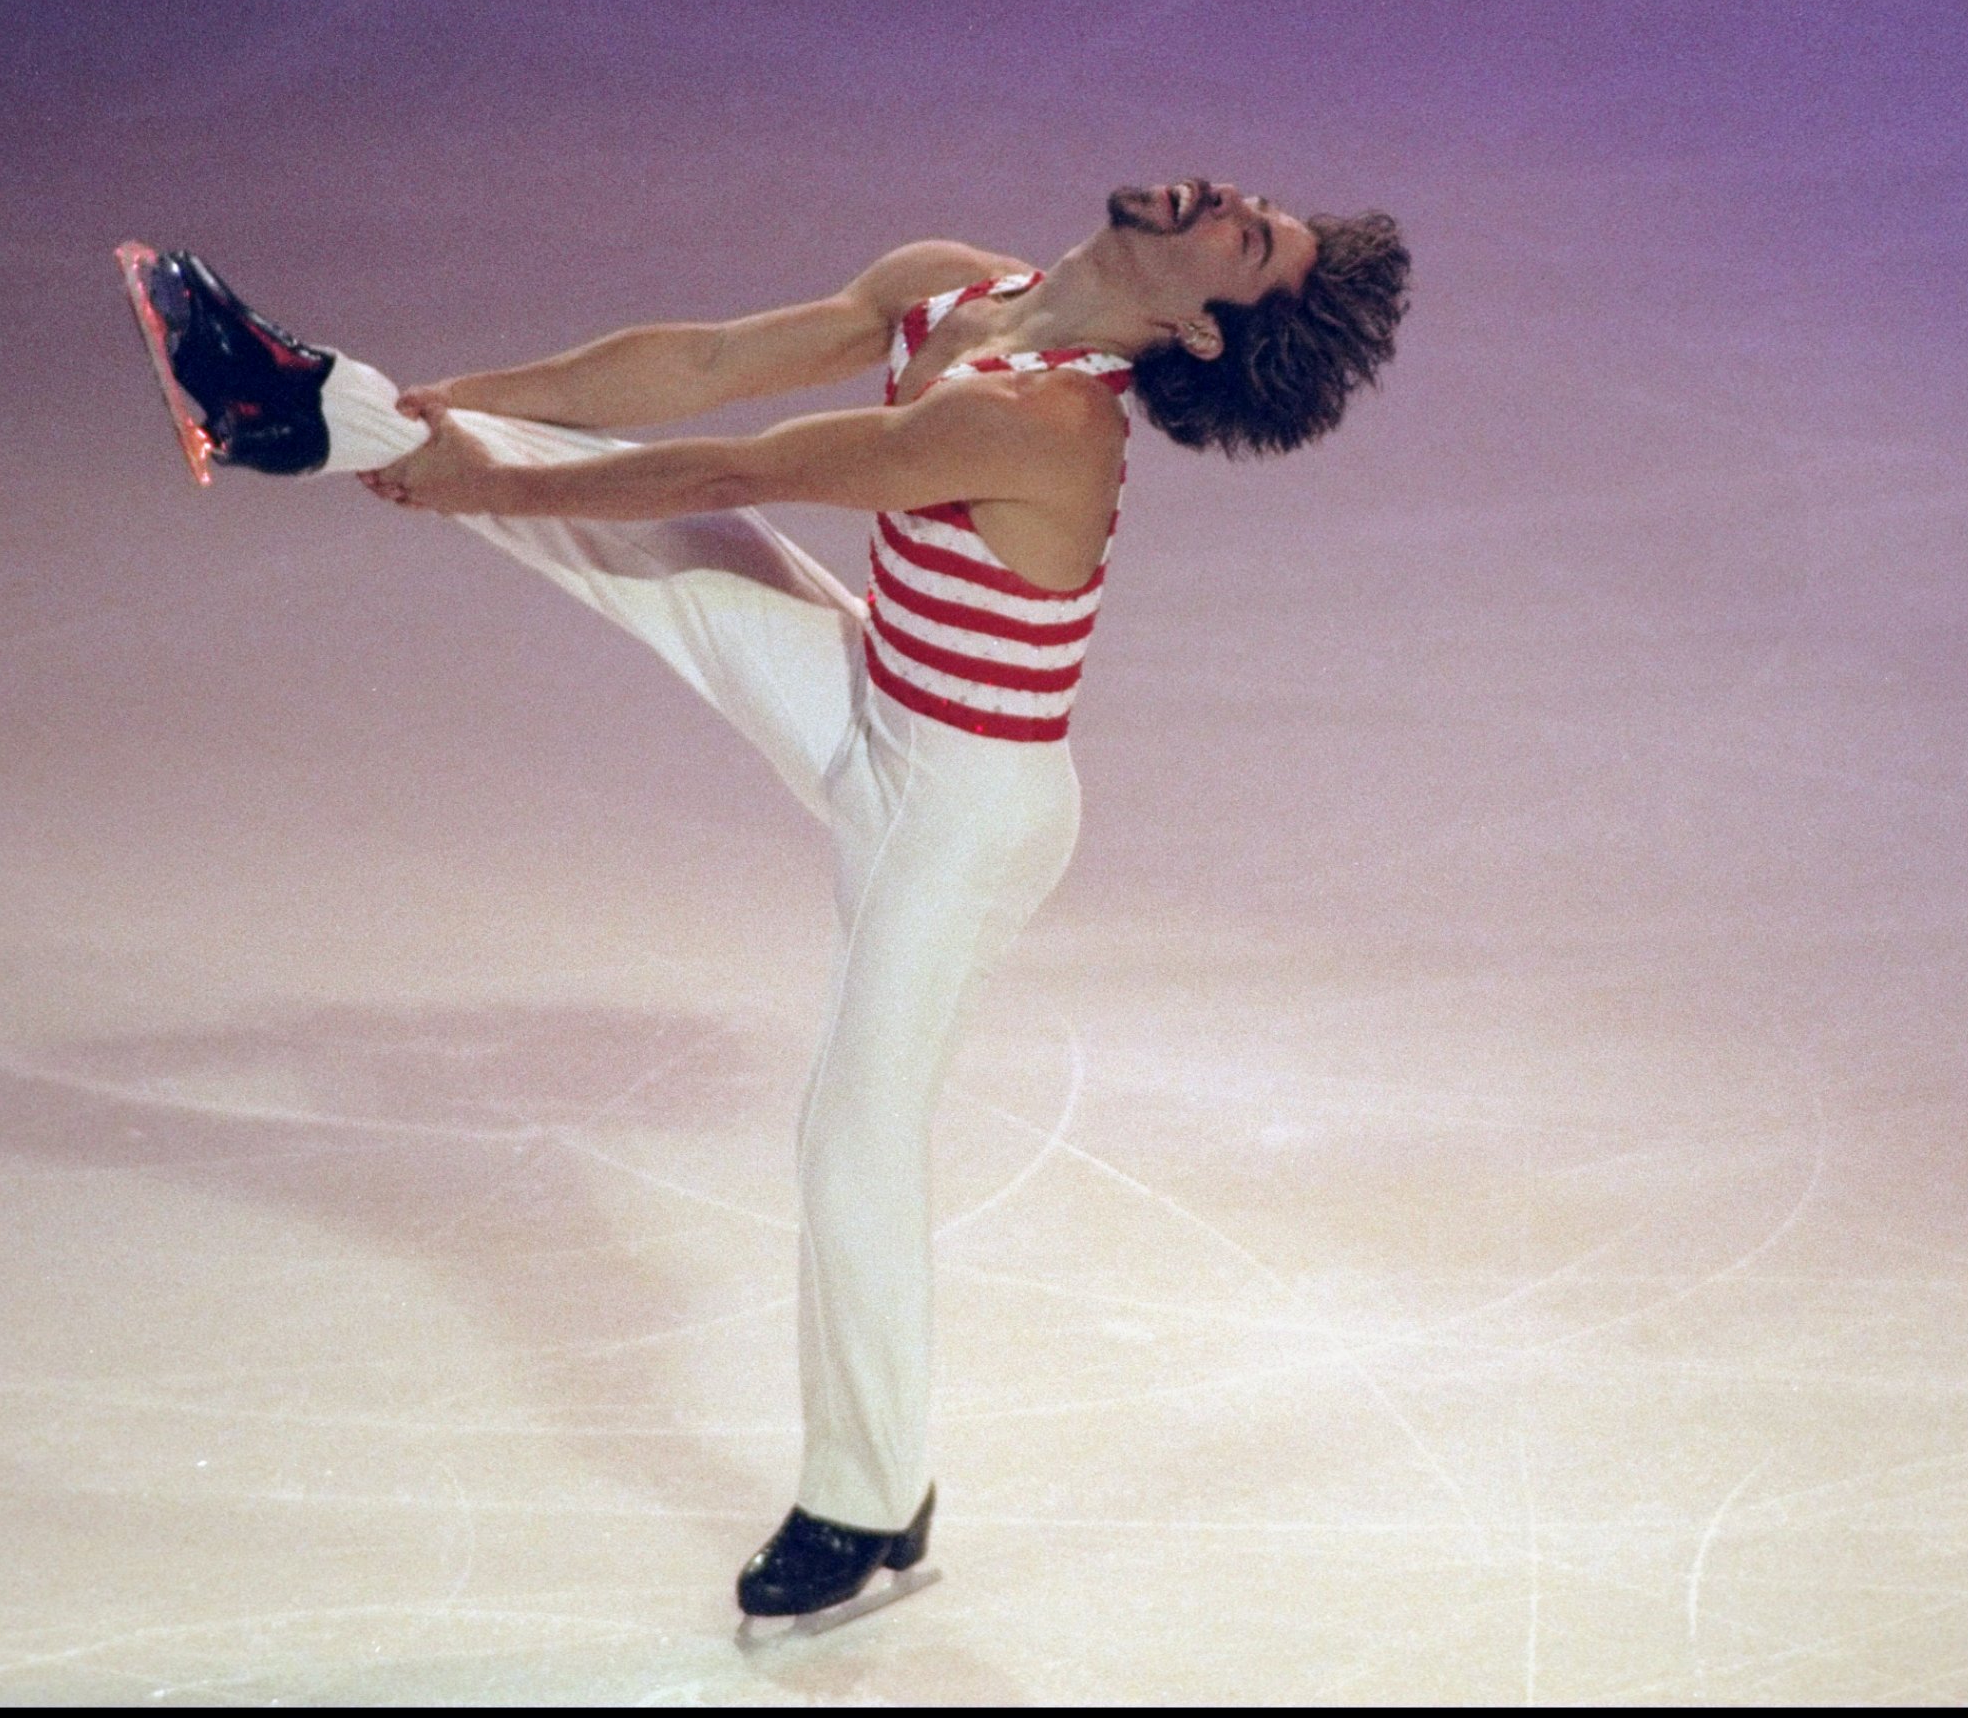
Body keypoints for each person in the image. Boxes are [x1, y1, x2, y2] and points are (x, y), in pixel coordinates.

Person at [114, 179, 1410, 1628]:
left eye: (1243, 241)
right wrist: (443, 412)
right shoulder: (956, 286)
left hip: (964, 818)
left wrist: (483, 481)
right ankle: (311, 404)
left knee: (852, 1138)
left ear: (1195, 327)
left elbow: (722, 470)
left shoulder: (1040, 420)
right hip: (874, 696)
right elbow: (702, 368)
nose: (1226, 197)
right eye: (1256, 205)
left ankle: (872, 1504)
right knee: (657, 568)